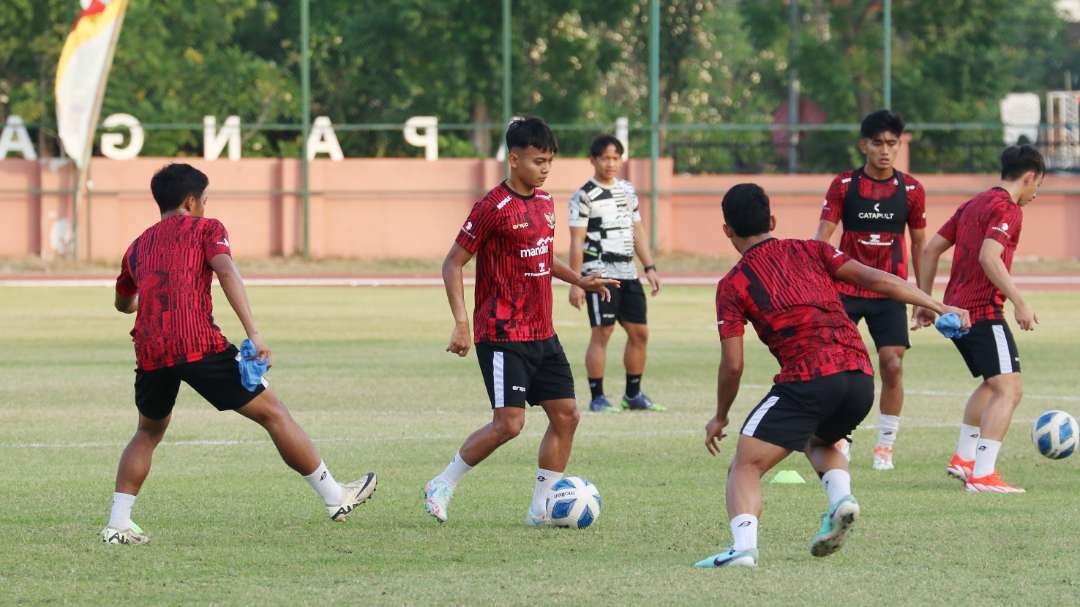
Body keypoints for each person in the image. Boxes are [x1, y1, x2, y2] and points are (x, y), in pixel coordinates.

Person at [695, 184, 968, 568]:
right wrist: (936, 304)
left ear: (727, 231)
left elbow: (733, 364)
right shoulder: (812, 249)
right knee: (819, 437)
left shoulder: (732, 284)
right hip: (859, 377)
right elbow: (876, 279)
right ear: (772, 221)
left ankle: (743, 549)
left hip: (809, 377)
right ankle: (841, 499)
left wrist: (720, 415)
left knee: (746, 464)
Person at [102, 163, 376, 545]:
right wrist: (254, 333)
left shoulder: (137, 246)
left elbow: (122, 302)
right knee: (274, 413)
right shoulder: (207, 228)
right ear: (190, 201)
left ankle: (118, 524)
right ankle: (335, 497)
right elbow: (227, 272)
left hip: (151, 348)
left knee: (147, 432)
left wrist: (146, 300)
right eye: (204, 200)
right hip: (197, 343)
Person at [425, 117, 617, 526]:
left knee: (566, 414)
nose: (545, 168)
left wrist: (579, 278)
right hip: (502, 334)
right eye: (537, 160)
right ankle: (442, 483)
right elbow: (452, 263)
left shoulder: (546, 203)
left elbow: (543, 257)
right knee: (509, 424)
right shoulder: (492, 208)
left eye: (549, 161)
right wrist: (461, 322)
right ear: (514, 159)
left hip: (542, 332)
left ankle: (541, 509)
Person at [913, 144, 1044, 494]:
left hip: (957, 313)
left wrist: (926, 301)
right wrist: (1020, 302)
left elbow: (930, 249)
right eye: (1038, 186)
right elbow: (990, 256)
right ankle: (983, 475)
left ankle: (964, 459)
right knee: (1010, 389)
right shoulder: (1008, 208)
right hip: (983, 311)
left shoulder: (974, 203)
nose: (1035, 194)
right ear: (1030, 176)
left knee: (992, 384)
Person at [814, 110, 927, 470]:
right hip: (846, 290)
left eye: (892, 144)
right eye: (877, 143)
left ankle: (884, 446)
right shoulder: (844, 186)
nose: (885, 150)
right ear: (864, 145)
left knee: (892, 365)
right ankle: (841, 437)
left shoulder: (911, 190)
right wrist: (815, 284)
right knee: (842, 369)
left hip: (890, 292)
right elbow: (822, 239)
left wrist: (923, 298)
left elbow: (921, 245)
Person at [568, 134, 664, 413]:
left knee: (640, 333)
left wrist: (649, 267)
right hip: (599, 273)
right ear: (593, 160)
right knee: (603, 332)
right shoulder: (584, 195)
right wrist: (576, 282)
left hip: (628, 272)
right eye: (605, 158)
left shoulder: (627, 191)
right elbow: (576, 240)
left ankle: (632, 395)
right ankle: (598, 397)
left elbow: (637, 231)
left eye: (615, 158)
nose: (610, 163)